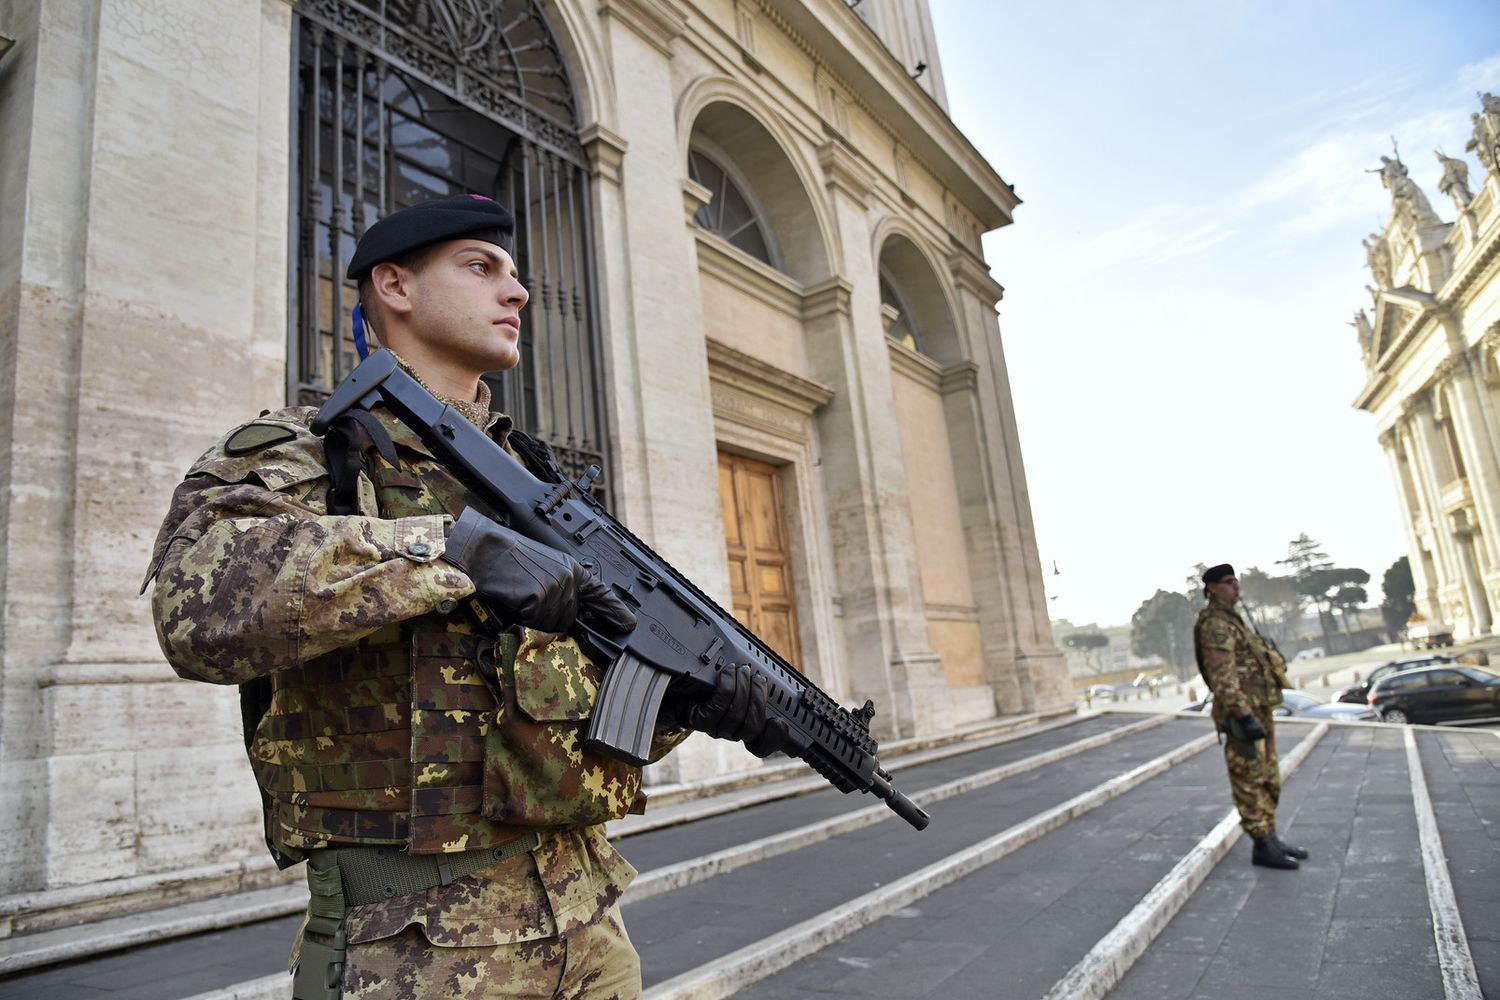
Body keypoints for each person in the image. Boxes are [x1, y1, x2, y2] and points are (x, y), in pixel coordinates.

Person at [145, 193, 783, 999]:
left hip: (591, 928)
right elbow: (194, 608)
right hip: (416, 949)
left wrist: (694, 702)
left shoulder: (550, 494)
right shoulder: (315, 453)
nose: (516, 293)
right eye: (481, 268)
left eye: (515, 275)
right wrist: (448, 549)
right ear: (395, 287)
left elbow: (584, 727)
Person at [1193, 564, 1307, 871]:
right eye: (1229, 583)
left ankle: (1270, 836)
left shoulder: (1233, 620)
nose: (1236, 588)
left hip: (1259, 708)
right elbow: (1222, 676)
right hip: (1242, 714)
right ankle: (1261, 842)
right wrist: (1243, 715)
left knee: (1268, 775)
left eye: (1236, 582)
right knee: (1249, 779)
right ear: (1213, 587)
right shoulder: (1216, 624)